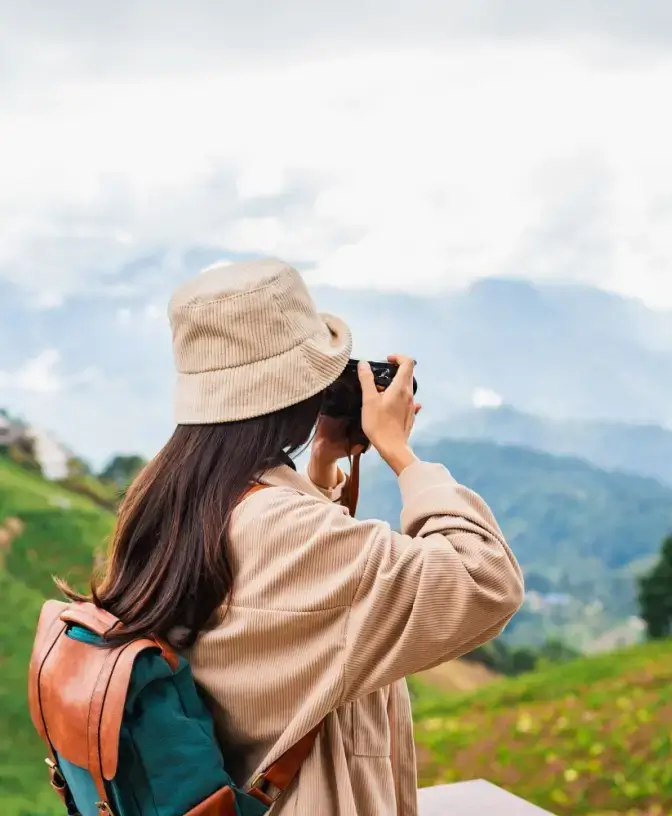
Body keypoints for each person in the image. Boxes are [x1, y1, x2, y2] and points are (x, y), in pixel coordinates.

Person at [81, 258, 524, 815]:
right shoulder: (286, 530)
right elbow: (485, 579)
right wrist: (400, 454)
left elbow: (285, 601)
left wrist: (319, 466)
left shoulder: (169, 497)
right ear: (295, 394)